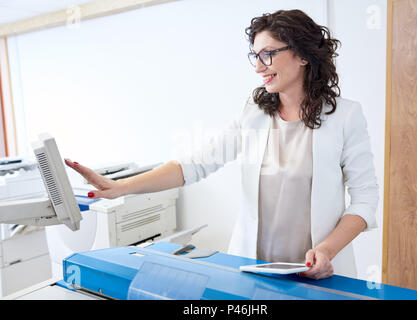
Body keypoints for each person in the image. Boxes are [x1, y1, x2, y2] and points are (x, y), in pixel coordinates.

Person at [65, 9, 378, 280]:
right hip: (255, 270)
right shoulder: (253, 114)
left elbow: (364, 199)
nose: (258, 67)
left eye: (268, 54)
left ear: (303, 55)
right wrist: (120, 188)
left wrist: (326, 250)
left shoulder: (345, 117)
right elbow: (194, 165)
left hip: (318, 272)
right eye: (255, 56)